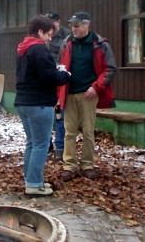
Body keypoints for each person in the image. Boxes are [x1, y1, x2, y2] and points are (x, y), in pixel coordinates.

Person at [14, 15, 71, 196]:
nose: (50, 38)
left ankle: (31, 179)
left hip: (23, 102)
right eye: (48, 34)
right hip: (39, 103)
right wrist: (65, 76)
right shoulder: (40, 50)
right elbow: (49, 77)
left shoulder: (24, 49)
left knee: (32, 143)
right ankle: (33, 184)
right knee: (41, 144)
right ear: (40, 31)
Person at [58, 12, 116, 181]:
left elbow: (110, 68)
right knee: (69, 132)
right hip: (69, 93)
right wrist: (59, 93)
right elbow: (60, 67)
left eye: (76, 25)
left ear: (86, 25)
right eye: (72, 25)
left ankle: (87, 165)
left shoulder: (100, 44)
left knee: (88, 132)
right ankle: (69, 165)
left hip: (89, 94)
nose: (73, 28)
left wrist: (96, 87)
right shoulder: (66, 44)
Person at [45, 11, 71, 161]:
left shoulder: (67, 36)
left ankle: (60, 148)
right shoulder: (42, 36)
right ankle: (47, 145)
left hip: (61, 79)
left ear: (58, 21)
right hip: (46, 80)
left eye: (52, 22)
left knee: (60, 116)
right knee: (47, 115)